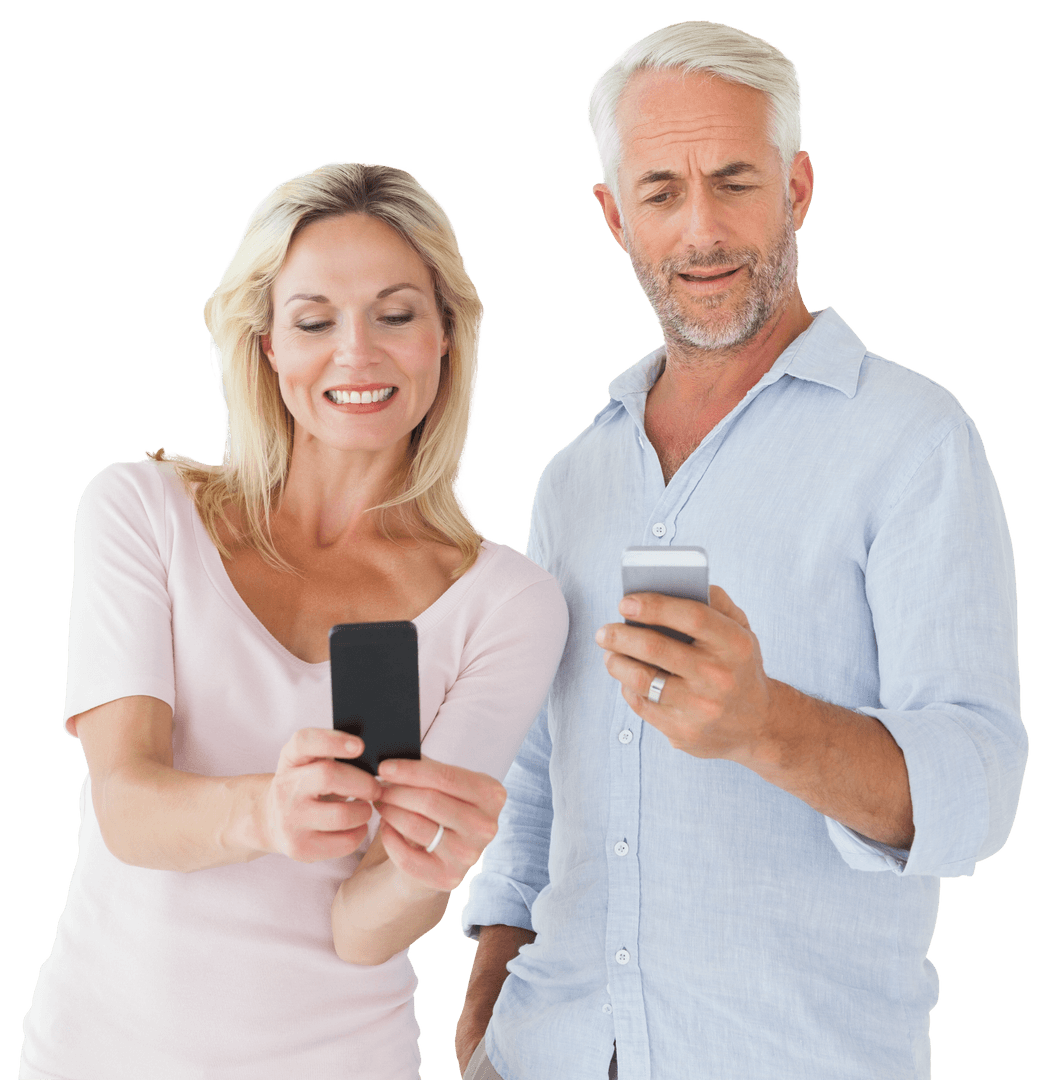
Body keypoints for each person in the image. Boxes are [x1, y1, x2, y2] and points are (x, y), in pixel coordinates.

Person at [456, 21, 1027, 1080]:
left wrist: (768, 726)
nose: (703, 231)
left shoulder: (913, 439)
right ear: (613, 215)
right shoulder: (573, 476)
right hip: (553, 1055)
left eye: (735, 182)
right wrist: (488, 1007)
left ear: (799, 187)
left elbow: (981, 784)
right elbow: (535, 777)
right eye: (662, 193)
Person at [19, 161, 568, 1080]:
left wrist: (427, 867)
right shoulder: (144, 512)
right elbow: (126, 806)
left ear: (444, 335)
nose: (356, 355)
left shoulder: (505, 602)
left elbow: (362, 930)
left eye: (395, 315)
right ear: (268, 344)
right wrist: (266, 813)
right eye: (315, 321)